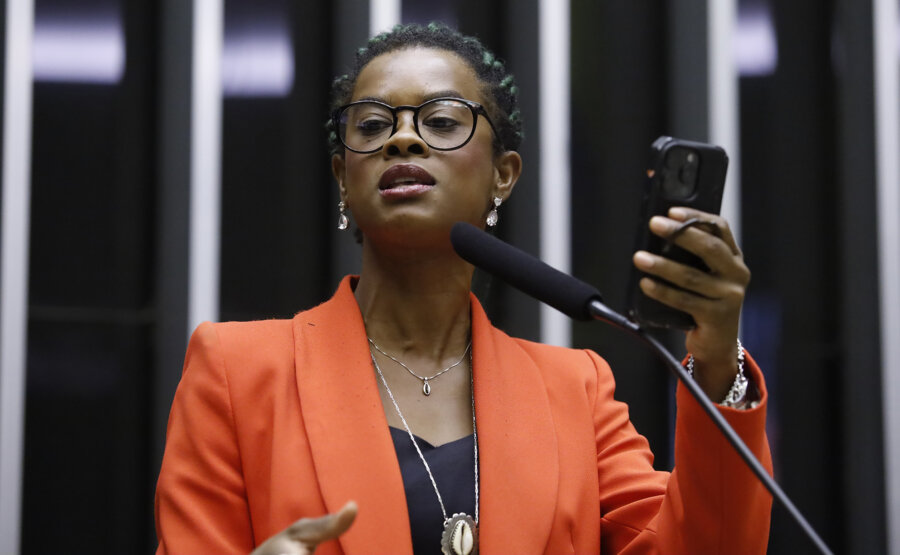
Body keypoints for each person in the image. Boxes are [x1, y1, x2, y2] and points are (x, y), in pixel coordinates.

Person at [154, 23, 772, 555]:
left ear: (503, 176)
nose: (402, 138)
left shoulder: (576, 391)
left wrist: (717, 357)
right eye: (370, 125)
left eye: (442, 120)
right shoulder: (237, 372)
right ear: (343, 178)